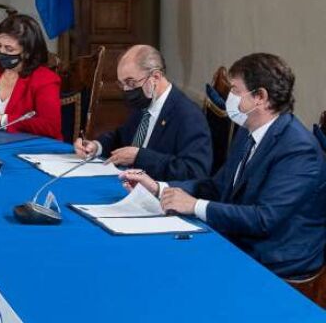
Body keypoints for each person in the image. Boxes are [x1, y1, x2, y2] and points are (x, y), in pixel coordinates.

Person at [121, 53, 326, 279]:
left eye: (236, 90)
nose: (230, 98)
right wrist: (159, 188)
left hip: (275, 260)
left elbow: (264, 220)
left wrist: (194, 206)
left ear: (260, 96)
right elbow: (217, 187)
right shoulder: (248, 131)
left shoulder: (298, 149)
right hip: (240, 239)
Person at [74, 45, 210, 179]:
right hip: (126, 181)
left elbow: (195, 171)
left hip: (156, 189)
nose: (126, 90)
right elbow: (121, 137)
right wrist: (96, 146)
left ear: (155, 77)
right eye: (122, 84)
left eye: (131, 83)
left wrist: (139, 157)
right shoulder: (144, 104)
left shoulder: (189, 115)